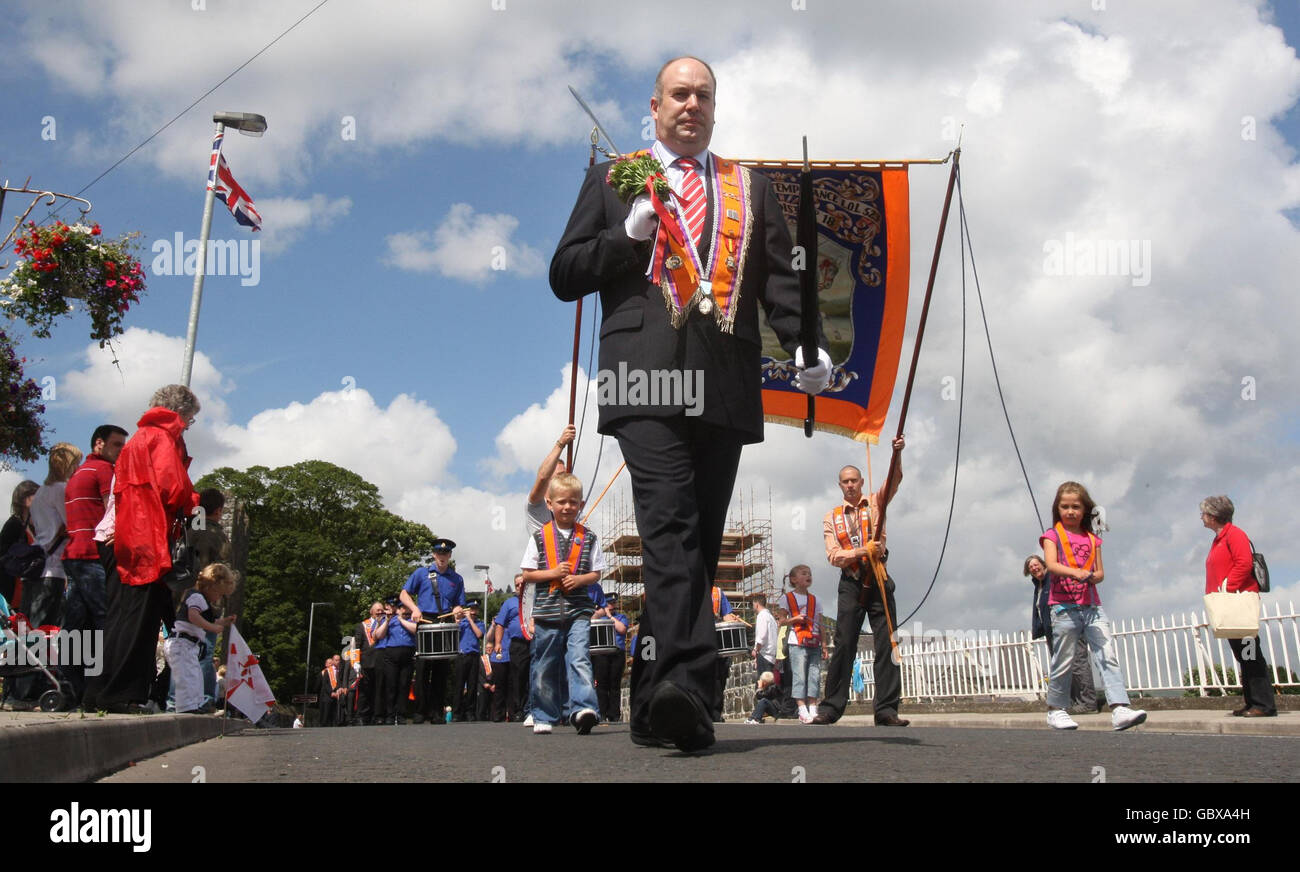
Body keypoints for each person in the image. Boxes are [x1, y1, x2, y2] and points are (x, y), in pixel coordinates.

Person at [550, 56, 830, 751]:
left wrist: (802, 346)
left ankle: (652, 705)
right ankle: (688, 690)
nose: (691, 104)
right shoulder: (614, 179)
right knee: (669, 525)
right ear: (654, 105)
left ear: (714, 107)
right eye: (679, 93)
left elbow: (779, 283)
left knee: (697, 547)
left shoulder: (749, 187)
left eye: (703, 94)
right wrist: (627, 237)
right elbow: (564, 274)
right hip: (641, 378)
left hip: (724, 381)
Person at [91, 385, 202, 713]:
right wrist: (194, 503)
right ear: (179, 414)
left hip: (126, 536)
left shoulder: (141, 437)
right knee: (139, 620)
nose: (189, 426)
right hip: (143, 539)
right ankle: (121, 693)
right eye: (190, 420)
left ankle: (100, 689)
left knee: (121, 617)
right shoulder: (162, 438)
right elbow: (173, 488)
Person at [1041, 481, 1146, 731]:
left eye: (1075, 507)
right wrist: (1075, 573)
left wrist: (1091, 576)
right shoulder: (1051, 535)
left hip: (1091, 606)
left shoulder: (1092, 539)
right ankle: (1056, 709)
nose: (1070, 512)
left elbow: (1100, 573)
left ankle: (1120, 708)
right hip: (1063, 607)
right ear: (1058, 508)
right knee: (1064, 659)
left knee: (1107, 654)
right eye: (1065, 507)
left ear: (1085, 508)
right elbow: (1051, 565)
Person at [813, 449, 907, 727]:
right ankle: (831, 707)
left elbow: (894, 480)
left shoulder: (876, 503)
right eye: (846, 481)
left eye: (854, 480)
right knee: (844, 643)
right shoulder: (832, 516)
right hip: (851, 582)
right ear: (840, 485)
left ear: (862, 481)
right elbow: (833, 555)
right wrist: (860, 552)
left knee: (887, 643)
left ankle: (886, 709)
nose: (851, 485)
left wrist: (896, 454)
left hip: (878, 578)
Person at [519, 472, 603, 735]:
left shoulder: (588, 538)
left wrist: (578, 580)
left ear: (581, 504)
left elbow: (596, 573)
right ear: (550, 503)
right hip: (546, 612)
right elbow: (528, 573)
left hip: (578, 610)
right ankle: (544, 713)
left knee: (579, 659)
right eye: (562, 502)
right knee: (546, 663)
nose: (567, 507)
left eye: (573, 502)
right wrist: (553, 574)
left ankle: (583, 709)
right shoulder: (539, 537)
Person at [61, 425, 127, 686]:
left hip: (73, 553)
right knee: (105, 618)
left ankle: (69, 683)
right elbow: (112, 511)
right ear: (99, 444)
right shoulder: (104, 471)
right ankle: (103, 684)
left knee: (74, 624)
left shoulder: (78, 473)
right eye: (116, 445)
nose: (121, 451)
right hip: (92, 554)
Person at [1200, 495, 1276, 717]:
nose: (1202, 518)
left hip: (1237, 603)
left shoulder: (1235, 535)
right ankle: (1252, 701)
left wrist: (1228, 586)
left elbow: (1243, 563)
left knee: (1251, 654)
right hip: (1229, 604)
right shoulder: (1221, 538)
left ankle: (1263, 704)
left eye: (1204, 513)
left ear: (1214, 516)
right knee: (1244, 655)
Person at [399, 537, 465, 723]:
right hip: (425, 620)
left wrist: (458, 611)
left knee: (441, 670)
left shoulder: (456, 578)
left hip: (444, 621)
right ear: (433, 554)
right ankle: (420, 712)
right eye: (438, 553)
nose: (442, 556)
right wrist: (414, 609)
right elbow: (404, 594)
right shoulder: (421, 573)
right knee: (421, 669)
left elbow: (459, 604)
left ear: (450, 555)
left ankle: (437, 712)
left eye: (445, 553)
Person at [1025, 554, 1096, 712]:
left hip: (1068, 625)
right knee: (1062, 667)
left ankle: (1088, 703)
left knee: (1078, 663)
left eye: (1036, 564)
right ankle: (1070, 702)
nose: (1034, 568)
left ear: (1044, 564)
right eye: (1031, 567)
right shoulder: (1039, 586)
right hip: (1053, 631)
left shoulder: (1054, 578)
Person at [165, 562, 237, 714]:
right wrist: (213, 628)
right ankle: (185, 708)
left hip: (188, 645)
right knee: (187, 677)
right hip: (182, 643)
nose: (219, 598)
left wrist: (223, 622)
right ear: (211, 586)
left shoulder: (201, 600)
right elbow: (193, 616)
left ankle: (194, 704)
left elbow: (208, 620)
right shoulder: (197, 597)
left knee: (196, 677)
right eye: (219, 593)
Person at [25, 442, 82, 629]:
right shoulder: (61, 489)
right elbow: (72, 523)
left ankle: (23, 658)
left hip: (36, 563)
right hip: (53, 566)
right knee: (45, 626)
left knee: (30, 625)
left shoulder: (40, 492)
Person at [781, 566, 827, 723]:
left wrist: (825, 644)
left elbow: (820, 623)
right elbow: (781, 621)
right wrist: (794, 619)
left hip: (814, 641)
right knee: (799, 675)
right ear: (794, 580)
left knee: (814, 675)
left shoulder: (816, 600)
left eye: (810, 573)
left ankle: (813, 707)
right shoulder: (787, 598)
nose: (808, 576)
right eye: (804, 573)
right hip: (797, 641)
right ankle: (801, 708)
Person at [374, 600, 417, 726]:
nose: (404, 610)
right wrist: (387, 621)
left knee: (404, 685)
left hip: (408, 653)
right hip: (392, 653)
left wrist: (401, 620)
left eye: (406, 608)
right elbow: (378, 635)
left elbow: (415, 630)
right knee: (391, 685)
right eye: (402, 608)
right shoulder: (389, 620)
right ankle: (390, 715)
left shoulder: (412, 619)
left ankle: (401, 714)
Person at [527, 424, 575, 534]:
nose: (565, 480)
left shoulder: (574, 511)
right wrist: (561, 443)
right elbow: (542, 477)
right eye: (559, 476)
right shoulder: (536, 506)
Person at [0, 480, 40, 609]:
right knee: (13, 625)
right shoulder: (14, 524)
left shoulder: (34, 527)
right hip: (11, 588)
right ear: (24, 498)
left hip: (29, 591)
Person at [592, 595, 630, 723]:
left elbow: (622, 629)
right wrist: (600, 613)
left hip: (616, 652)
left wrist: (610, 617)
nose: (612, 605)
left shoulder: (620, 617)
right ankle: (601, 713)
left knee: (614, 684)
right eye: (609, 603)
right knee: (601, 684)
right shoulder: (598, 616)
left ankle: (614, 714)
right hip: (601, 653)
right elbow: (590, 622)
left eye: (614, 603)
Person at [709, 585, 743, 721]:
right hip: (696, 638)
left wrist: (732, 620)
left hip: (716, 640)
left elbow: (726, 615)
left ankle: (715, 713)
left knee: (719, 677)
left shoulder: (717, 592)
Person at [453, 602, 485, 721]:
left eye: (475, 610)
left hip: (474, 655)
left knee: (472, 685)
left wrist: (470, 620)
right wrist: (458, 618)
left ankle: (470, 712)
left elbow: (479, 634)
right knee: (459, 685)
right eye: (471, 609)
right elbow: (454, 633)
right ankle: (457, 713)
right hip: (462, 655)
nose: (474, 612)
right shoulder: (461, 623)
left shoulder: (479, 623)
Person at [355, 601, 386, 725]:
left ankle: (377, 715)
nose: (380, 611)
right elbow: (356, 646)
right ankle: (362, 716)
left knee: (379, 690)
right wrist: (356, 663)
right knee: (364, 691)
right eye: (377, 609)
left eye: (381, 609)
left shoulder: (386, 623)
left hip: (381, 662)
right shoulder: (362, 625)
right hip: (366, 663)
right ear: (371, 612)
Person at [751, 593, 778, 681]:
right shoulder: (771, 617)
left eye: (753, 604)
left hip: (764, 655)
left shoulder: (762, 616)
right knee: (768, 685)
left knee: (763, 686)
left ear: (756, 604)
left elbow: (762, 636)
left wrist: (756, 649)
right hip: (772, 656)